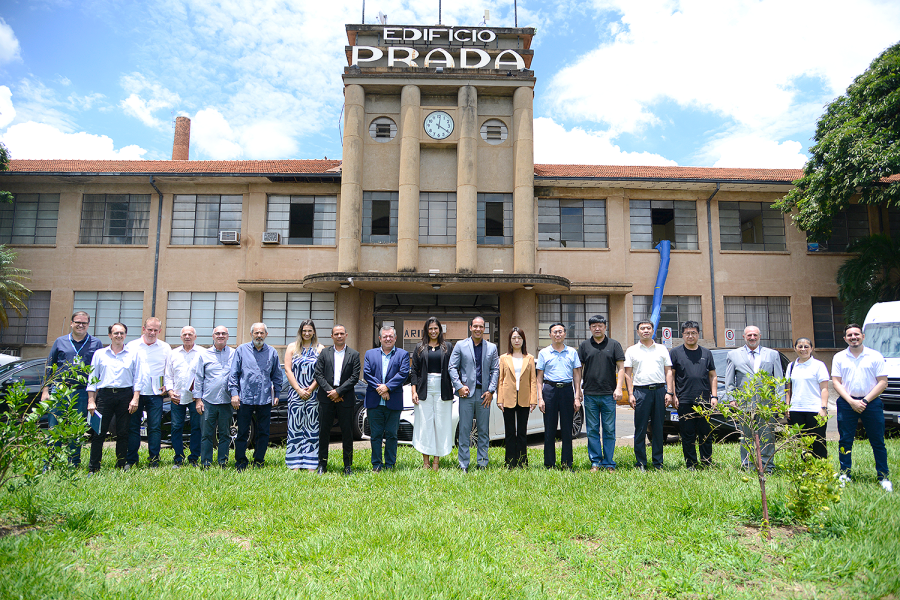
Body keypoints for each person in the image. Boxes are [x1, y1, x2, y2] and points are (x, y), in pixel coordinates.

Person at [831, 323, 891, 492]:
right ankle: (845, 474)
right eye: (849, 335)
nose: (853, 337)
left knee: (877, 441)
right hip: (846, 402)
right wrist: (851, 401)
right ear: (845, 339)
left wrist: (864, 401)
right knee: (845, 440)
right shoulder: (839, 357)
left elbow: (883, 382)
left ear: (863, 336)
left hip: (871, 403)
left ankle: (883, 477)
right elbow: (836, 382)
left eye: (856, 334)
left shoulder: (875, 356)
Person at [42, 310, 103, 467]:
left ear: (88, 325)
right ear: (71, 323)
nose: (80, 325)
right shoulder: (60, 341)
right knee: (54, 426)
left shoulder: (96, 344)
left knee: (76, 429)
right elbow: (49, 366)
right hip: (60, 390)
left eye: (84, 323)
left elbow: (98, 370)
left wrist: (94, 396)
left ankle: (73, 462)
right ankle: (50, 463)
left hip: (82, 392)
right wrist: (45, 390)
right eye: (77, 322)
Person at [725, 325, 784, 473]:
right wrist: (732, 398)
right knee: (746, 436)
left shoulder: (772, 355)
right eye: (749, 335)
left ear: (760, 336)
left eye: (755, 335)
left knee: (767, 436)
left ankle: (767, 466)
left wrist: (779, 401)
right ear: (744, 337)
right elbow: (729, 381)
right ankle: (748, 466)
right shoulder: (733, 355)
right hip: (744, 404)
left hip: (767, 404)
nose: (752, 338)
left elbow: (779, 380)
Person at [85, 323, 141, 472]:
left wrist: (135, 398)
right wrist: (91, 400)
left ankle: (121, 464)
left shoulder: (133, 354)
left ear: (125, 335)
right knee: (99, 432)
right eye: (116, 333)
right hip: (104, 395)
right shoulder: (100, 354)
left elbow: (138, 378)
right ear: (110, 335)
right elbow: (92, 378)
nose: (119, 336)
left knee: (123, 432)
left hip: (125, 395)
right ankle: (94, 467)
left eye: (122, 333)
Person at [228, 322, 283, 471]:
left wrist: (277, 393)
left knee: (263, 432)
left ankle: (259, 460)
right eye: (256, 333)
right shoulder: (241, 350)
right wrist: (234, 394)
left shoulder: (272, 352)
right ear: (251, 334)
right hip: (244, 398)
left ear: (266, 334)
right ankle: (240, 461)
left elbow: (277, 376)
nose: (259, 335)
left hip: (264, 398)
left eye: (262, 333)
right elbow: (234, 374)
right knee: (243, 431)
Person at [449, 316, 500, 472]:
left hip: (484, 395)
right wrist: (459, 387)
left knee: (483, 430)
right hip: (466, 394)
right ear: (470, 327)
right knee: (464, 430)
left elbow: (495, 370)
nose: (478, 329)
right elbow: (452, 367)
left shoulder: (492, 347)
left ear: (484, 328)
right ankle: (463, 463)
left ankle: (482, 463)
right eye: (475, 326)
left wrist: (491, 390)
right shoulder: (460, 345)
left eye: (481, 326)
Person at [577, 315, 625, 472]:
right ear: (590, 328)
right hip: (590, 394)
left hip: (609, 395)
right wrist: (578, 391)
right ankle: (595, 462)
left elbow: (621, 368)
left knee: (609, 429)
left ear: (605, 327)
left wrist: (619, 388)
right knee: (592, 429)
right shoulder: (584, 346)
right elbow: (578, 370)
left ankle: (609, 462)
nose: (597, 328)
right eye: (593, 326)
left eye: (600, 325)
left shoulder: (614, 344)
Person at [624, 320, 674, 471]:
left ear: (653, 331)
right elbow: (627, 374)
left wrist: (669, 392)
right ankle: (641, 463)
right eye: (642, 328)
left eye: (648, 328)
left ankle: (658, 463)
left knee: (658, 428)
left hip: (659, 390)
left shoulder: (662, 349)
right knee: (640, 428)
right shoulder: (632, 350)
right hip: (640, 392)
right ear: (638, 332)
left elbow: (669, 371)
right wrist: (631, 394)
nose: (645, 330)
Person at [669, 321, 717, 469]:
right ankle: (691, 463)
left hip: (704, 401)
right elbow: (672, 375)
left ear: (698, 334)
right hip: (684, 400)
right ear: (682, 335)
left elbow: (713, 376)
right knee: (687, 434)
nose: (690, 336)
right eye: (687, 333)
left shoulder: (706, 353)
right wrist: (673, 395)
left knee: (705, 433)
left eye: (693, 333)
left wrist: (714, 396)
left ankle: (706, 462)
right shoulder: (675, 353)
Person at [314, 324, 361, 475]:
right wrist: (331, 392)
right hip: (326, 398)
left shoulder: (354, 354)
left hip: (345, 398)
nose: (339, 336)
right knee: (324, 432)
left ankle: (347, 466)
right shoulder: (324, 353)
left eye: (342, 333)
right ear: (332, 336)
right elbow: (318, 374)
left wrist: (339, 392)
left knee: (347, 433)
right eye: (336, 334)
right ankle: (322, 464)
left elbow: (355, 377)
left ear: (346, 335)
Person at [126, 317, 172, 468]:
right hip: (135, 394)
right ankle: (132, 459)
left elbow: (168, 370)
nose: (152, 333)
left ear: (160, 331)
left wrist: (166, 385)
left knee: (155, 427)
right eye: (149, 329)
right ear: (143, 329)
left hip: (155, 394)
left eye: (155, 330)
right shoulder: (131, 346)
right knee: (133, 427)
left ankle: (154, 459)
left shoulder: (165, 347)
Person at [363, 326, 410, 472]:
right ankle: (376, 464)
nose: (388, 339)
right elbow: (367, 374)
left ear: (395, 338)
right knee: (375, 435)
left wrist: (387, 387)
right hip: (374, 402)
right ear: (380, 339)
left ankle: (390, 464)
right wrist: (381, 389)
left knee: (392, 434)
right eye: (385, 336)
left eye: (391, 336)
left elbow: (403, 374)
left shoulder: (403, 354)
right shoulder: (370, 354)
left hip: (393, 401)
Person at [537, 322, 583, 470]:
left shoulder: (572, 352)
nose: (557, 334)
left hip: (567, 391)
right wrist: (540, 397)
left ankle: (567, 463)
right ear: (550, 335)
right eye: (555, 332)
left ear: (564, 334)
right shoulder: (544, 353)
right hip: (549, 390)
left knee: (567, 429)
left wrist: (577, 395)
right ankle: (549, 463)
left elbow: (577, 374)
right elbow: (539, 377)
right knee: (549, 429)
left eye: (560, 332)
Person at [410, 317, 455, 470]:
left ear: (440, 330)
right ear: (426, 330)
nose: (433, 331)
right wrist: (413, 391)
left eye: (436, 328)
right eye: (430, 328)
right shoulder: (420, 347)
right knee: (425, 424)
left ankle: (436, 461)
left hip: (443, 389)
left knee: (440, 425)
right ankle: (426, 462)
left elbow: (453, 369)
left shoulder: (447, 347)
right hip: (424, 389)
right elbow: (414, 371)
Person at [284, 320, 324, 471]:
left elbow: (321, 372)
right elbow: (288, 370)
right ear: (300, 332)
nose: (307, 333)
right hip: (295, 395)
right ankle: (294, 464)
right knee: (295, 427)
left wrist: (311, 388)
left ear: (314, 332)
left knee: (312, 428)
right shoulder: (292, 347)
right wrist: (299, 389)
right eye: (304, 330)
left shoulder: (320, 349)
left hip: (313, 394)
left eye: (310, 330)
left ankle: (310, 464)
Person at [193, 326, 235, 468]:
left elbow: (237, 376)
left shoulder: (234, 354)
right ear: (213, 336)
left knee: (225, 434)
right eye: (218, 333)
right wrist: (198, 400)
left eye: (224, 333)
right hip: (208, 401)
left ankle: (223, 461)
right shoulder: (204, 355)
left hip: (226, 401)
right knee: (206, 434)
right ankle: (206, 462)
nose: (220, 335)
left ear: (228, 336)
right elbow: (198, 378)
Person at [497, 327, 537, 469]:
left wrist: (534, 400)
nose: (516, 340)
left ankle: (522, 462)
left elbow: (533, 380)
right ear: (510, 340)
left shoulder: (530, 358)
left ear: (523, 340)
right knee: (509, 432)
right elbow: (500, 380)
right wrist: (500, 399)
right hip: (508, 398)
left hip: (525, 398)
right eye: (514, 338)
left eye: (519, 337)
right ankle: (510, 462)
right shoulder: (503, 358)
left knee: (522, 432)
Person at [164, 325, 204, 467]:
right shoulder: (173, 353)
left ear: (195, 336)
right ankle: (178, 458)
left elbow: (204, 375)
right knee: (176, 427)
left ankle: (194, 458)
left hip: (195, 397)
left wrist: (200, 395)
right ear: (181, 337)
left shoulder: (202, 353)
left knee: (196, 427)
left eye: (190, 334)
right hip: (177, 397)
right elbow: (168, 375)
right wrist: (169, 391)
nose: (187, 336)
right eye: (185, 334)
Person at [785, 337, 830, 460]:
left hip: (815, 409)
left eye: (806, 346)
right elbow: (788, 388)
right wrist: (787, 406)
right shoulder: (791, 366)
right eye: (800, 346)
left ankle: (821, 469)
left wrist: (823, 408)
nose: (803, 349)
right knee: (802, 443)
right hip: (796, 410)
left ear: (812, 348)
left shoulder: (819, 365)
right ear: (795, 349)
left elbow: (824, 389)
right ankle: (806, 469)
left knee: (818, 441)